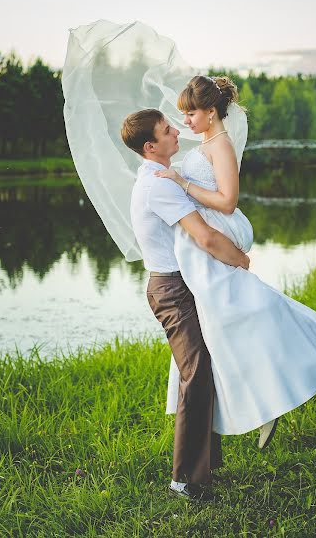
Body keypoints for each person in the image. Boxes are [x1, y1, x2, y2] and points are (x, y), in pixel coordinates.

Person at [148, 74, 316, 440]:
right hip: (195, 251)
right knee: (219, 329)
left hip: (208, 247)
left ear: (210, 113)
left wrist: (183, 184)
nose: (186, 122)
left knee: (240, 317)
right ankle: (258, 405)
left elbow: (228, 201)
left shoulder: (221, 145)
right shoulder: (208, 141)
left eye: (191, 114)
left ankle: (272, 398)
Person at [120, 107, 253, 500]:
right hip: (172, 291)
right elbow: (204, 237)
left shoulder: (160, 177)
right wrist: (240, 259)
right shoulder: (158, 184)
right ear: (150, 146)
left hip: (184, 285)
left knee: (203, 368)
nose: (177, 132)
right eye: (167, 130)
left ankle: (205, 464)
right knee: (195, 373)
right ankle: (183, 479)